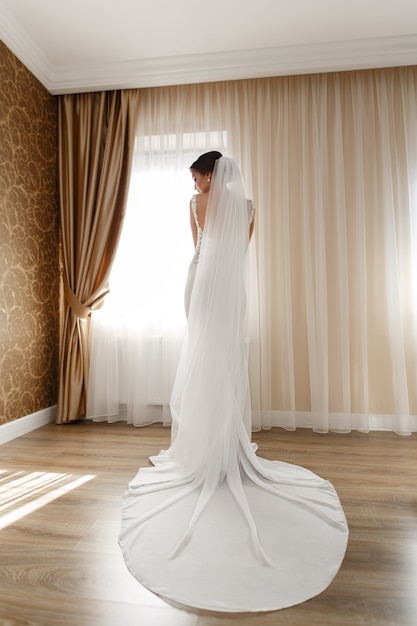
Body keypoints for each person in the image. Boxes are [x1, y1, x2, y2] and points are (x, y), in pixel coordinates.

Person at [119, 152, 348, 612]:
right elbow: (236, 252)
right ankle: (213, 443)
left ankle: (214, 444)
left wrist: (208, 261)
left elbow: (198, 250)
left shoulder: (195, 205)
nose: (197, 185)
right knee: (214, 364)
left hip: (202, 285)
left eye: (199, 178)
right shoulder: (248, 206)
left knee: (213, 364)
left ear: (209, 174)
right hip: (223, 290)